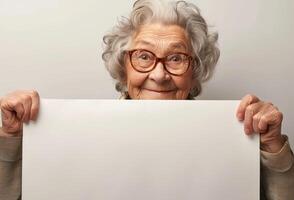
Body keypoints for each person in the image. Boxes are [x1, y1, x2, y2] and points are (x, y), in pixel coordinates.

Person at [0, 0, 293, 199]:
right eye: (143, 56)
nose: (160, 74)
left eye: (176, 58)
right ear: (123, 66)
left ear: (195, 72)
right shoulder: (68, 133)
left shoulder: (237, 138)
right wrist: (11, 138)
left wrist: (273, 148)